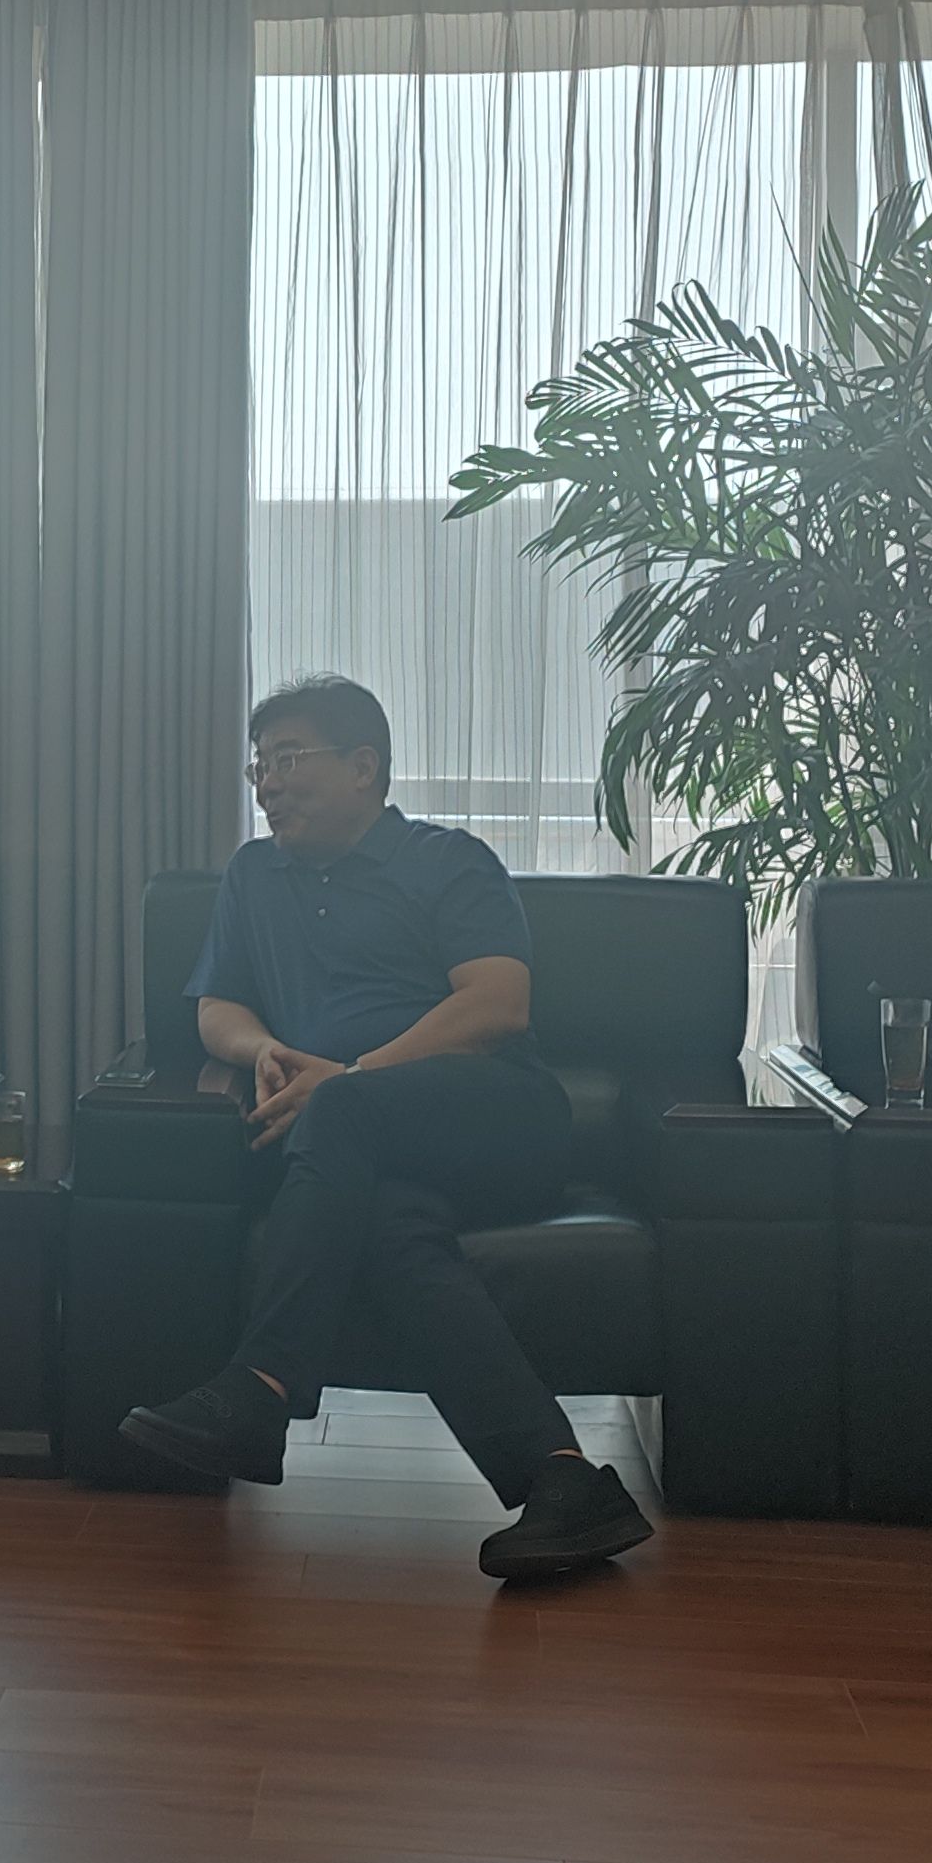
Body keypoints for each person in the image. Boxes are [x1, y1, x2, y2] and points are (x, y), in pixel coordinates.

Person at [116, 675, 655, 1581]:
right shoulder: (253, 875)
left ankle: (263, 1384)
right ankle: (563, 1480)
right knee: (394, 1232)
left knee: (343, 1115)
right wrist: (264, 1050)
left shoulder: (447, 861)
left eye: (288, 759)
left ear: (363, 766)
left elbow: (498, 1003)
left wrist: (352, 1079)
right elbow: (216, 1005)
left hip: (498, 1116)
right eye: (259, 766)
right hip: (358, 1148)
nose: (267, 783)